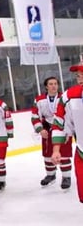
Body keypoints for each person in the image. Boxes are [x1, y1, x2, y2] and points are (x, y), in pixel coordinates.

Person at [31, 77, 72, 189]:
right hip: (47, 129)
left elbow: (70, 114)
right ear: (46, 86)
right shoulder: (39, 99)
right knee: (48, 154)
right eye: (51, 84)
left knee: (64, 154)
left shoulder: (64, 98)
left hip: (62, 128)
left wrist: (69, 130)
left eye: (55, 84)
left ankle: (66, 177)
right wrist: (40, 129)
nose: (54, 86)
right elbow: (35, 116)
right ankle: (50, 175)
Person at [52, 62, 83, 201]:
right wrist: (56, 150)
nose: (80, 79)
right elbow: (60, 123)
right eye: (78, 76)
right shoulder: (69, 97)